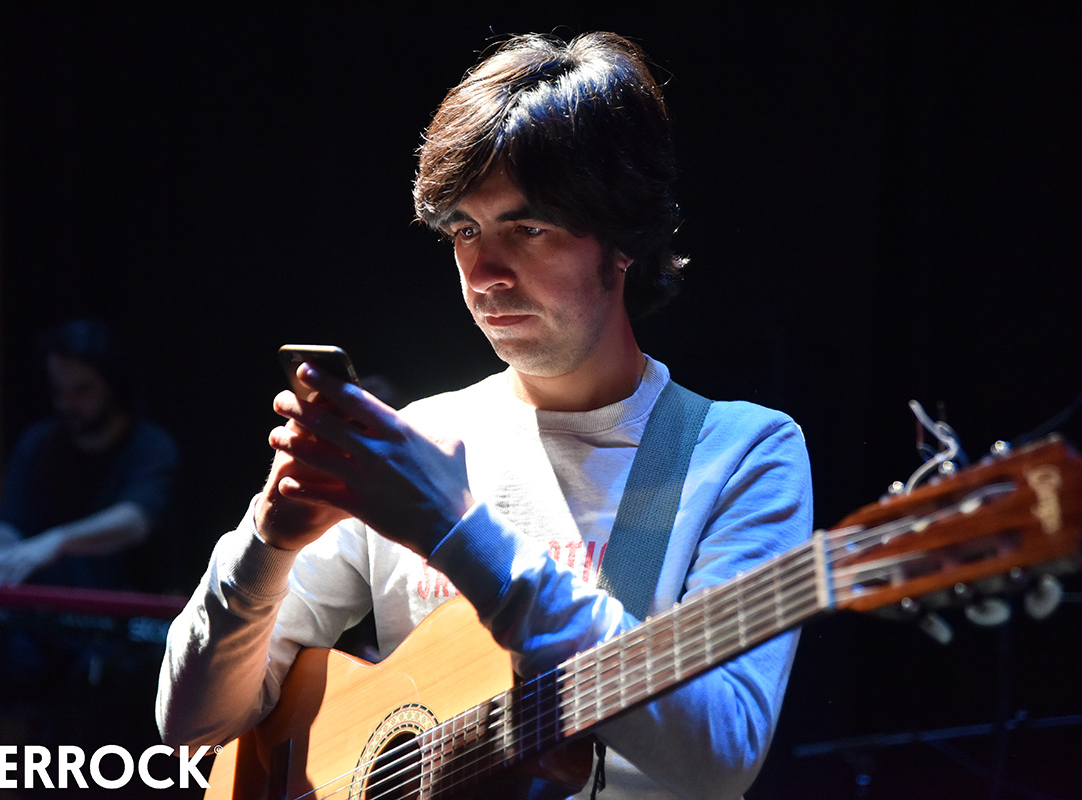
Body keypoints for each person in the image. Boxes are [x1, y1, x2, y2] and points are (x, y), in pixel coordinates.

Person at [157, 32, 813, 799]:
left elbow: (722, 758)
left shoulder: (739, 453)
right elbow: (191, 725)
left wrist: (455, 528)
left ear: (623, 239)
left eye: (526, 228)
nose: (486, 272)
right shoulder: (417, 443)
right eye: (464, 230)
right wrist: (266, 543)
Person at [0, 318, 179, 589]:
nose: (67, 403)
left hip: (124, 604)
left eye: (82, 390)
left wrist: (57, 541)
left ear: (112, 385)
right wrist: (1, 554)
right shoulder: (38, 443)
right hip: (44, 607)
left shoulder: (150, 446)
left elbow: (134, 520)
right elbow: (8, 523)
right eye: (59, 390)